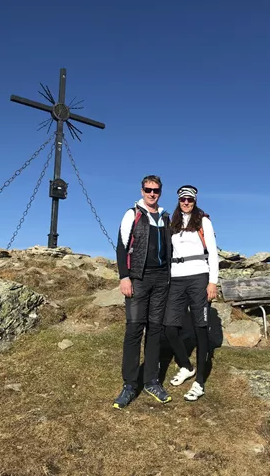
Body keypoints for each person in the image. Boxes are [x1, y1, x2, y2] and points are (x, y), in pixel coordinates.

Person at [113, 175, 172, 409]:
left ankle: (151, 381)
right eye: (148, 189)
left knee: (155, 330)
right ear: (142, 190)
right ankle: (129, 384)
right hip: (138, 277)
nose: (152, 194)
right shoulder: (132, 213)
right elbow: (121, 246)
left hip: (161, 279)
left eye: (156, 190)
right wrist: (124, 276)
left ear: (160, 191)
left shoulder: (166, 217)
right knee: (134, 329)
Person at [164, 185, 219, 401]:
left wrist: (212, 282)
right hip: (176, 278)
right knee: (169, 327)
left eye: (190, 199)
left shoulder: (203, 221)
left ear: (195, 201)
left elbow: (212, 252)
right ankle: (186, 366)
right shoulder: (173, 223)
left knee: (200, 328)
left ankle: (200, 382)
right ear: (178, 200)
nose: (186, 203)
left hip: (199, 276)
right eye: (183, 199)